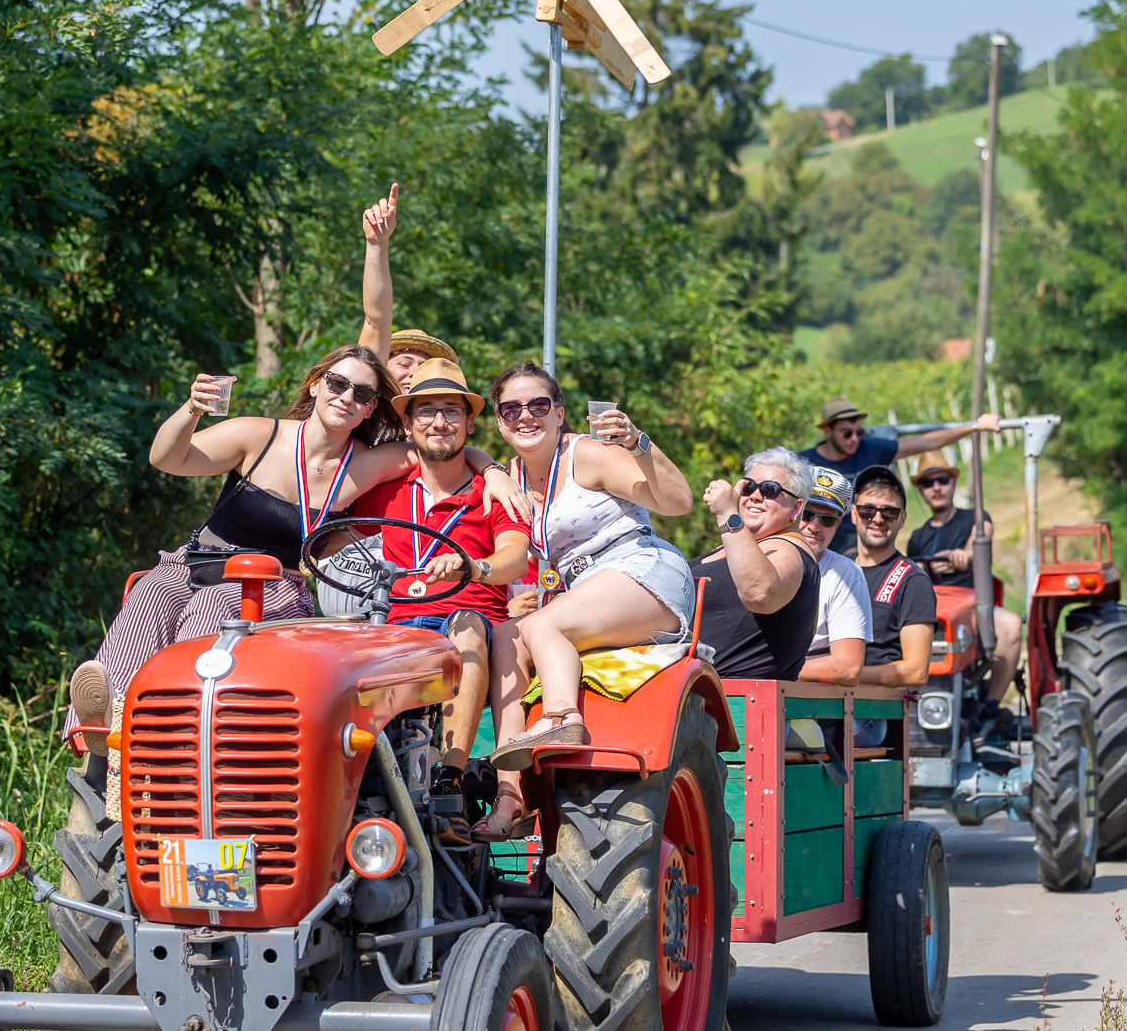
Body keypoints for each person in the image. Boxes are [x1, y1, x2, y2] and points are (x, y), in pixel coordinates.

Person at [65, 342, 528, 748]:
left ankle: (178, 730)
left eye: (362, 394)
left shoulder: (372, 464)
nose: (346, 397)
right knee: (150, 594)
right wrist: (191, 409)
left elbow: (442, 446)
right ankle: (105, 726)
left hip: (272, 581)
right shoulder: (260, 435)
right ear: (315, 385)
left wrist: (492, 469)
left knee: (215, 612)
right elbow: (166, 459)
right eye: (337, 384)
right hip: (196, 561)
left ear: (371, 409)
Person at [478, 364, 696, 836]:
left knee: (544, 625)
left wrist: (639, 443)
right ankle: (510, 794)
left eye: (538, 405)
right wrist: (487, 467)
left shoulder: (587, 454)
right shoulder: (509, 475)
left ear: (559, 413)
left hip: (640, 568)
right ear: (499, 421)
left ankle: (562, 716)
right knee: (504, 638)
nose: (525, 416)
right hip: (581, 588)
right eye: (511, 409)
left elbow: (679, 503)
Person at [343, 359, 529, 845]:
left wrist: (475, 566)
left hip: (467, 620)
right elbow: (326, 529)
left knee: (466, 626)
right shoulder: (384, 488)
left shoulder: (492, 491)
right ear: (408, 424)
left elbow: (514, 556)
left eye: (452, 411)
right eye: (426, 411)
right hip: (396, 625)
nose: (439, 422)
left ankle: (450, 784)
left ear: (470, 424)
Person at [798, 396, 999, 556]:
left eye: (859, 432)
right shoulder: (805, 464)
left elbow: (925, 442)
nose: (854, 439)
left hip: (866, 539)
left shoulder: (869, 450)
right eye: (846, 433)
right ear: (828, 431)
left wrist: (975, 427)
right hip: (824, 540)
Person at [692, 448, 824, 683]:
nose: (755, 496)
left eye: (770, 490)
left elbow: (759, 593)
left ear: (796, 508)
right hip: (687, 688)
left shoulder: (789, 547)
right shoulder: (742, 543)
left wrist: (727, 515)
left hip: (733, 698)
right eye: (749, 486)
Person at [905, 449, 1022, 709]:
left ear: (953, 482)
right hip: (934, 608)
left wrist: (964, 554)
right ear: (920, 489)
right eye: (928, 482)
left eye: (942, 480)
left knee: (1011, 625)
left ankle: (991, 705)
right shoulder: (917, 537)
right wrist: (925, 565)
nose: (936, 488)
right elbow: (913, 575)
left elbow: (981, 537)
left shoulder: (975, 519)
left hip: (973, 604)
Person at [846, 465, 940, 744]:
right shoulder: (837, 568)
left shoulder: (912, 580)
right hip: (824, 699)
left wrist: (844, 675)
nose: (877, 519)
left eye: (889, 512)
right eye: (868, 510)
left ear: (902, 520)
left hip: (870, 712)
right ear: (854, 513)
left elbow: (915, 671)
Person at [352, 181, 462, 393]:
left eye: (424, 368)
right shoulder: (364, 407)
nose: (413, 373)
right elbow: (377, 321)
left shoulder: (443, 414)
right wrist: (377, 243)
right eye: (404, 364)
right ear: (381, 368)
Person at [795, 467, 872, 687]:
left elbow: (848, 668)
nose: (814, 526)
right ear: (793, 511)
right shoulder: (750, 557)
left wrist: (765, 668)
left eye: (827, 519)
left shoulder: (846, 574)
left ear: (837, 525)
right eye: (807, 514)